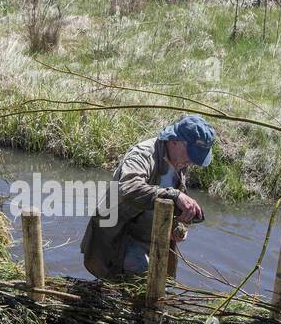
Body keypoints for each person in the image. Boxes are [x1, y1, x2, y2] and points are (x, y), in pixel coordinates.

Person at [81, 114, 215, 279]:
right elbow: (128, 188)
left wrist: (178, 227)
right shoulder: (143, 155)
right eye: (191, 155)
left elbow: (169, 202)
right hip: (119, 234)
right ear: (175, 140)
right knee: (143, 279)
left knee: (163, 280)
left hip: (149, 235)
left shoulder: (180, 162)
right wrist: (174, 195)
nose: (192, 162)